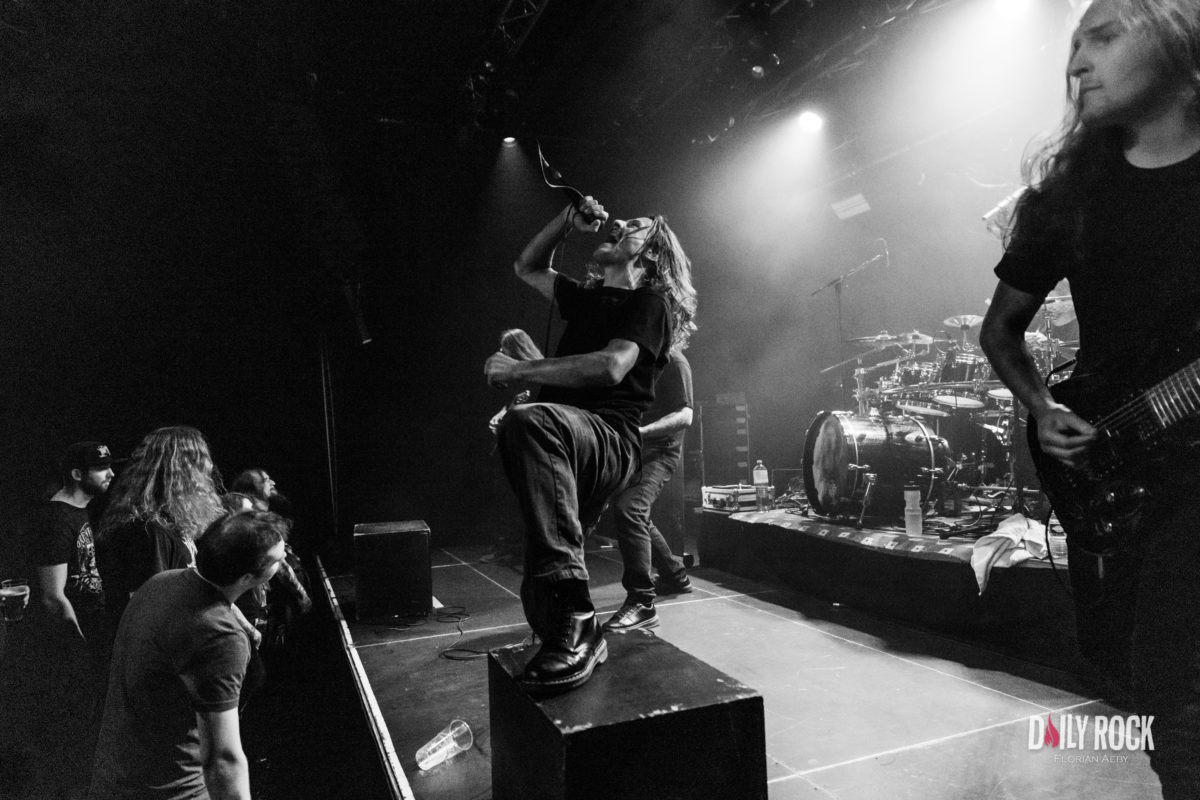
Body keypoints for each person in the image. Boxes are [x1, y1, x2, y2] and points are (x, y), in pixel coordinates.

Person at [979, 2, 1200, 795]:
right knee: (1154, 685)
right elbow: (1000, 332)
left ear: (1178, 40)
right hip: (1124, 460)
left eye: (1104, 36)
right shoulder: (1067, 199)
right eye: (1075, 43)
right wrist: (1044, 410)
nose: (1077, 61)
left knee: (1180, 699)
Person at [485, 196, 697, 693]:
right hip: (570, 440)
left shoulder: (649, 303)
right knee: (541, 604)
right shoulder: (588, 298)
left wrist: (520, 370)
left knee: (530, 422)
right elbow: (527, 266)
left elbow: (611, 366)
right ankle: (575, 629)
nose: (618, 222)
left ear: (651, 254)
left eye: (635, 226)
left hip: (609, 440)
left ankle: (584, 616)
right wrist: (566, 221)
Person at [88, 509, 289, 800]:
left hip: (117, 778)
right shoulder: (219, 635)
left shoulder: (162, 582)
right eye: (278, 558)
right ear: (248, 577)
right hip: (174, 791)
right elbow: (222, 761)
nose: (284, 559)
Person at [23, 442, 114, 797]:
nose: (111, 474)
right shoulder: (56, 518)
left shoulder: (79, 511)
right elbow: (52, 596)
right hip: (71, 646)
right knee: (69, 732)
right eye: (101, 468)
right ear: (77, 474)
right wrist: (80, 646)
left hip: (90, 635)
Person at [96, 426, 225, 629]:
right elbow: (151, 607)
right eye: (202, 459)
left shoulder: (168, 524)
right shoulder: (149, 530)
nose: (209, 466)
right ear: (183, 469)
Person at [603, 349, 695, 631]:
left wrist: (641, 433)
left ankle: (642, 601)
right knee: (634, 513)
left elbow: (685, 416)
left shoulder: (675, 362)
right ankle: (675, 576)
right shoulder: (638, 361)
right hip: (635, 451)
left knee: (630, 509)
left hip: (660, 452)